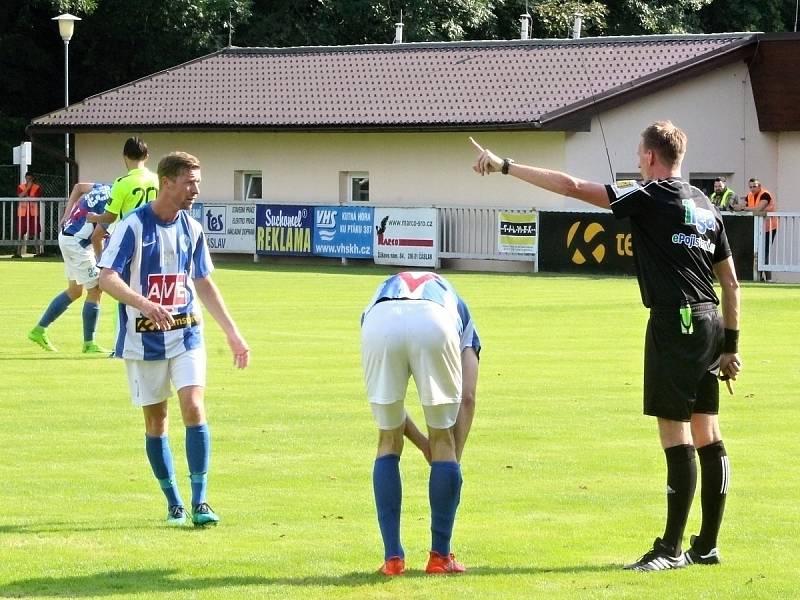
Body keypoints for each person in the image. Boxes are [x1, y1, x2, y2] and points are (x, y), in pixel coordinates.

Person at [471, 121, 741, 571]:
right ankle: (706, 546)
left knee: (675, 434)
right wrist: (731, 347)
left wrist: (505, 166)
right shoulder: (705, 206)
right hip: (709, 322)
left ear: (652, 158)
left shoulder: (651, 195)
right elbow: (731, 283)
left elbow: (573, 186)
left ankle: (670, 550)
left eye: (639, 155)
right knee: (707, 433)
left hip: (674, 323)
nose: (637, 161)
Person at [98, 151, 250, 527]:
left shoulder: (192, 229)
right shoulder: (133, 226)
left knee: (194, 407)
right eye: (189, 183)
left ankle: (200, 501)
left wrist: (232, 332)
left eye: (197, 182)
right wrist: (143, 303)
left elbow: (203, 281)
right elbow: (107, 276)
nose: (195, 190)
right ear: (168, 182)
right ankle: (174, 502)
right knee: (157, 421)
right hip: (144, 339)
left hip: (187, 333)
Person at [361, 271, 480, 576]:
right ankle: (440, 558)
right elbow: (467, 397)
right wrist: (447, 453)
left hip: (379, 320)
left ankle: (392, 560)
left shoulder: (379, 293)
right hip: (435, 321)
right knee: (444, 440)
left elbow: (394, 412)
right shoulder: (462, 311)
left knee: (386, 440)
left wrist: (421, 444)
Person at [27, 183, 112, 354]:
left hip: (68, 236)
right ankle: (89, 344)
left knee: (74, 291)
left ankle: (39, 330)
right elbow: (97, 238)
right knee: (96, 288)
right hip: (78, 243)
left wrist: (66, 214)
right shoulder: (112, 202)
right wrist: (101, 263)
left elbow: (79, 187)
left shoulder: (104, 186)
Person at [88, 137, 159, 250]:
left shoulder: (121, 183)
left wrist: (94, 217)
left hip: (127, 238)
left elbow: (110, 217)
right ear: (146, 157)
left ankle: (101, 266)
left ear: (124, 156)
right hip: (150, 237)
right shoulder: (157, 179)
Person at [736, 178, 777, 281]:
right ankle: (760, 278)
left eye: (755, 186)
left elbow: (758, 208)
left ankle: (769, 279)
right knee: (756, 253)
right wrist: (737, 207)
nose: (752, 188)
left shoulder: (765, 194)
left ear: (759, 186)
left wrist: (742, 208)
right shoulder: (749, 195)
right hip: (756, 228)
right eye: (750, 187)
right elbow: (743, 205)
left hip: (769, 227)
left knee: (764, 252)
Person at [15, 171, 44, 257]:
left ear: (33, 178)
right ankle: (18, 253)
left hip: (33, 212)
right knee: (20, 232)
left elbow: (36, 198)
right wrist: (27, 188)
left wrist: (27, 196)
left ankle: (38, 252)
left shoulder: (37, 187)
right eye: (27, 179)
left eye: (30, 179)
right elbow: (20, 196)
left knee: (35, 232)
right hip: (23, 213)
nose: (28, 180)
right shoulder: (21, 186)